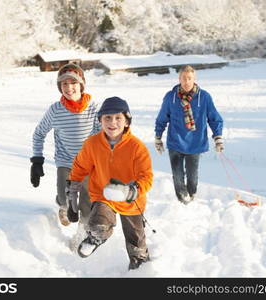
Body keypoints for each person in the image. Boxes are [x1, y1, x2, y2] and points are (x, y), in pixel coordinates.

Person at [66, 97, 153, 270]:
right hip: (103, 195)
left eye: (118, 118)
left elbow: (146, 176)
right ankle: (96, 237)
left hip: (131, 201)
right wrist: (72, 191)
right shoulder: (92, 144)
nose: (112, 122)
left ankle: (140, 267)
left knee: (137, 245)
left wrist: (132, 191)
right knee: (98, 223)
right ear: (100, 120)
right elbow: (79, 166)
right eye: (107, 118)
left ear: (127, 121)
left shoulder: (137, 147)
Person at [30, 63, 100, 226]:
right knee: (64, 197)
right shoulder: (55, 110)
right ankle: (63, 206)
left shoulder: (93, 108)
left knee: (86, 205)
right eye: (64, 84)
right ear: (60, 87)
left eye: (73, 83)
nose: (69, 88)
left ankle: (83, 234)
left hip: (88, 164)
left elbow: (102, 136)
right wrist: (37, 160)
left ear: (81, 84)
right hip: (65, 162)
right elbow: (39, 133)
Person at [154, 65, 224, 204]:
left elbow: (214, 118)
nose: (186, 82)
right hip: (175, 142)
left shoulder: (204, 97)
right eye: (184, 78)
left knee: (192, 176)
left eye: (189, 78)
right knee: (178, 175)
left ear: (194, 79)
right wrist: (158, 137)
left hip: (195, 143)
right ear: (179, 79)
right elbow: (162, 117)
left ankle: (192, 197)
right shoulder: (171, 97)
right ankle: (182, 199)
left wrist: (218, 137)